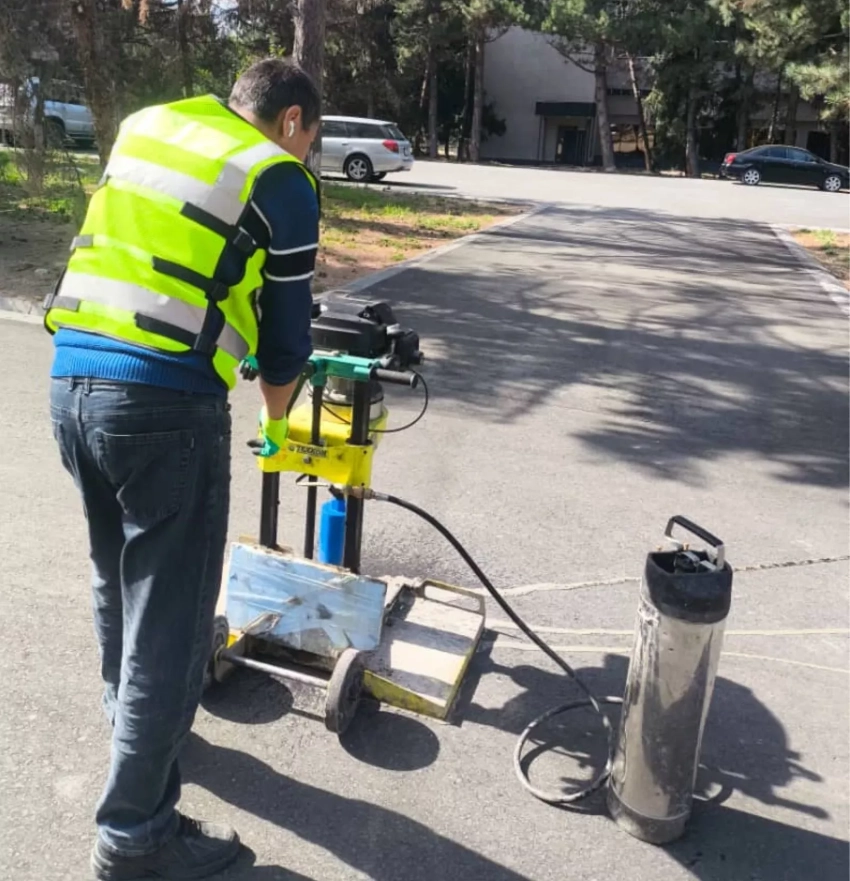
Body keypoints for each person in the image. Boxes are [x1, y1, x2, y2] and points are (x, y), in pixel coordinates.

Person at [45, 58, 321, 880]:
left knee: (119, 580)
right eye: (309, 140)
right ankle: (135, 836)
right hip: (165, 407)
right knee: (172, 624)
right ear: (294, 122)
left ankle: (133, 723)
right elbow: (285, 340)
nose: (306, 154)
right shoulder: (279, 177)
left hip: (70, 383)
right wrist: (279, 426)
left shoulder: (149, 125)